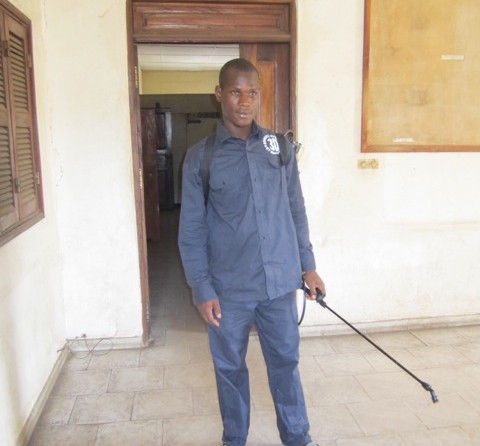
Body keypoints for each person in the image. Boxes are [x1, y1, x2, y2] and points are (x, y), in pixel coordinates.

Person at [178, 58, 325, 446]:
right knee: (230, 369)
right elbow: (191, 231)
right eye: (235, 92)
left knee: (286, 364)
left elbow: (295, 209)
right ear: (219, 95)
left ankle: (297, 437)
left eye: (252, 93)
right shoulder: (201, 158)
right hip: (228, 291)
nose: (244, 102)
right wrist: (201, 289)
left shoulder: (279, 148)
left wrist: (308, 266)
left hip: (279, 286)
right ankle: (234, 439)